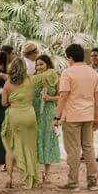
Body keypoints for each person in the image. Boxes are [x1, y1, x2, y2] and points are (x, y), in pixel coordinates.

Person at [1, 58, 54, 189]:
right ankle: (31, 177)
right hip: (29, 116)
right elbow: (50, 75)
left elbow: (4, 103)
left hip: (15, 116)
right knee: (30, 148)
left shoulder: (7, 83)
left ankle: (9, 178)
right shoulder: (31, 80)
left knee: (11, 146)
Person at [54, 43, 98, 192]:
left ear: (70, 57)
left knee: (73, 150)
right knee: (88, 148)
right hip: (88, 115)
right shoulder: (93, 73)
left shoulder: (67, 73)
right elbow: (97, 96)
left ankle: (73, 182)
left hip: (72, 116)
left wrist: (57, 116)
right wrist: (97, 117)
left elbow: (63, 96)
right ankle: (92, 181)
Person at [33, 54, 60, 182]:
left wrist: (49, 98)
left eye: (41, 64)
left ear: (48, 64)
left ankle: (47, 172)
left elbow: (61, 96)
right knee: (36, 139)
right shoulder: (34, 78)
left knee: (47, 139)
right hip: (35, 112)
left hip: (49, 112)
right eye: (37, 65)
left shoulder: (55, 77)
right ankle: (35, 172)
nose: (38, 67)